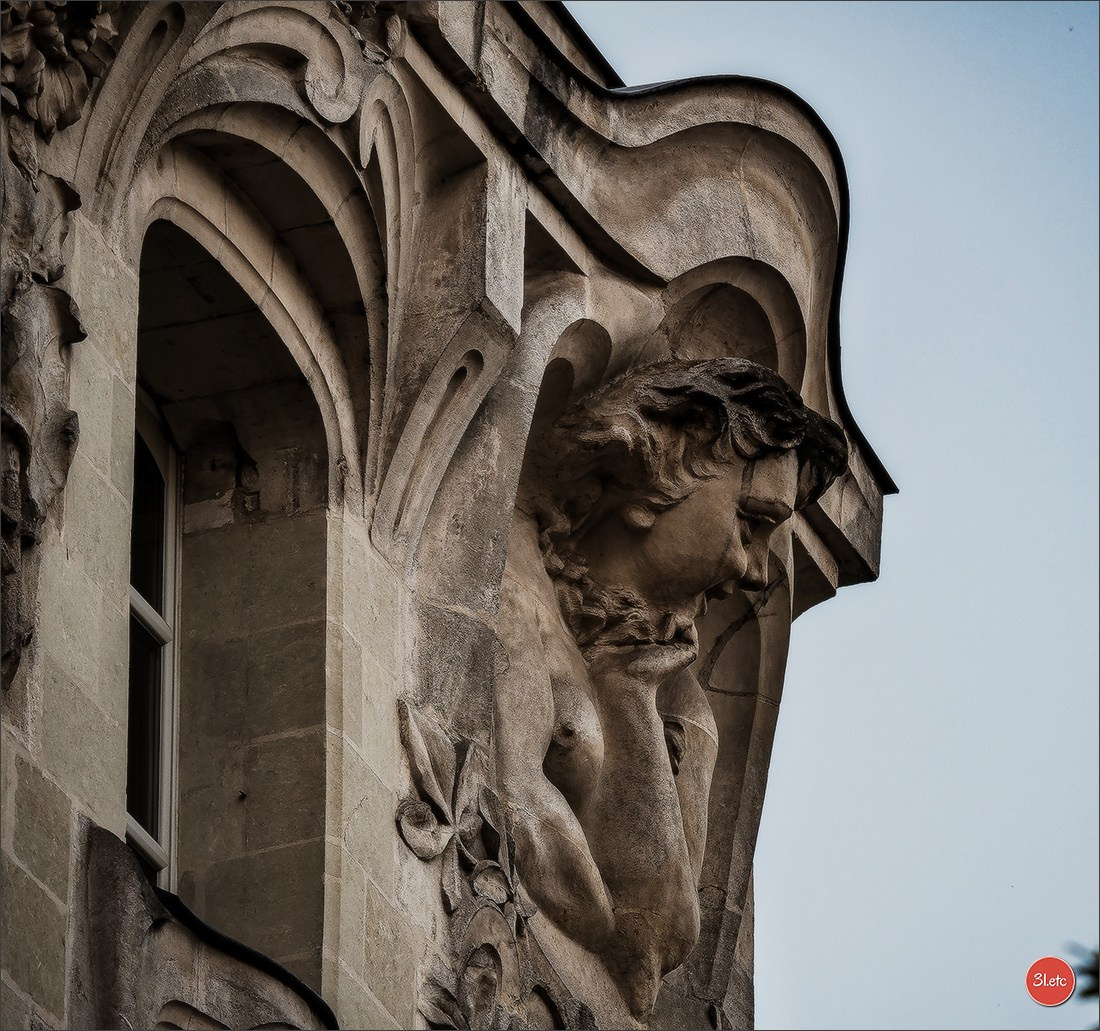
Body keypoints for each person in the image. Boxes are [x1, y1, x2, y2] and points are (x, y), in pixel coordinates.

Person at [494, 357, 847, 1020]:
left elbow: (655, 946)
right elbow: (517, 816)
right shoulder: (508, 591)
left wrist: (628, 689)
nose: (757, 569)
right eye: (749, 522)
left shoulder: (681, 700)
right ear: (650, 478)